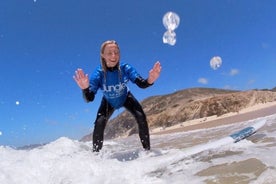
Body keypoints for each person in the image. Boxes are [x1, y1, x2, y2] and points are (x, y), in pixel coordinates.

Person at [73, 40, 161, 152]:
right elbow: (89, 98)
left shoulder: (125, 68)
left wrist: (150, 80)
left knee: (141, 117)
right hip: (108, 101)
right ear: (103, 55)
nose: (114, 56)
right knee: (99, 124)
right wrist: (85, 89)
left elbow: (141, 83)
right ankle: (95, 156)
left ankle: (147, 151)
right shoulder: (99, 73)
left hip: (125, 97)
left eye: (116, 52)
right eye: (109, 53)